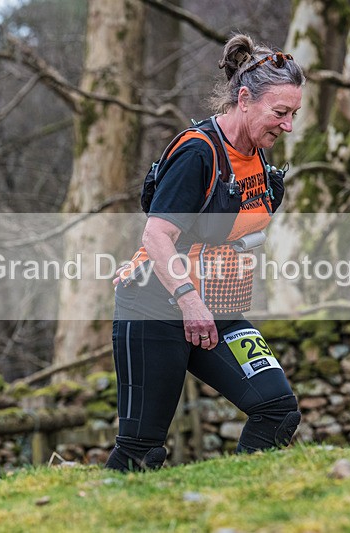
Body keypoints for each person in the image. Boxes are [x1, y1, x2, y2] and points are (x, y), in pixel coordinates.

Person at [105, 34, 305, 472]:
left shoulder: (260, 158)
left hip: (218, 308)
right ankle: (100, 505)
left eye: (294, 114)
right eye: (280, 113)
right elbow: (156, 234)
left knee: (277, 410)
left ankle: (243, 500)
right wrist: (189, 300)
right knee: (142, 451)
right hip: (156, 304)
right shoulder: (199, 152)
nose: (288, 126)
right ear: (245, 99)